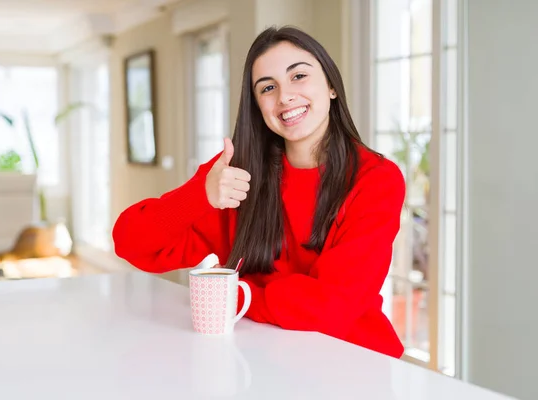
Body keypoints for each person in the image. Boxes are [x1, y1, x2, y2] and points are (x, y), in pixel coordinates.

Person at [113, 26, 406, 359]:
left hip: (354, 363)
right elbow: (130, 242)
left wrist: (238, 295)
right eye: (268, 87)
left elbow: (332, 307)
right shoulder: (234, 174)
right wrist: (199, 197)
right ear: (257, 105)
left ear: (331, 86)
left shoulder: (376, 179)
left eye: (298, 76)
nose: (284, 97)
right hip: (260, 360)